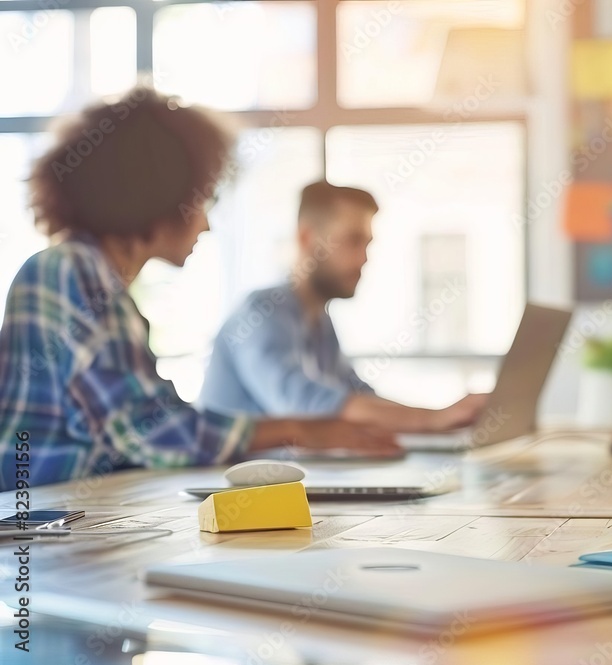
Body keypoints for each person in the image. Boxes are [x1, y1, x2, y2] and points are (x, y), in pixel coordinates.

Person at [0, 89, 400, 492]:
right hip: (34, 523)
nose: (206, 224)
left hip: (70, 516)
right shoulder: (73, 269)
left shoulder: (99, 282)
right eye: (203, 200)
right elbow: (149, 430)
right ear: (158, 195)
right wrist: (299, 430)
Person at [200, 181, 488, 432]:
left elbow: (357, 395)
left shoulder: (319, 322)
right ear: (306, 238)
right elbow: (300, 404)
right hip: (236, 490)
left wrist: (445, 419)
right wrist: (432, 420)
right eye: (353, 241)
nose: (364, 258)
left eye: (367, 244)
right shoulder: (261, 313)